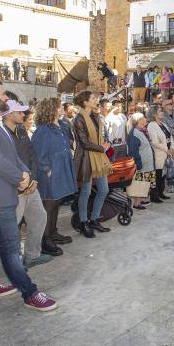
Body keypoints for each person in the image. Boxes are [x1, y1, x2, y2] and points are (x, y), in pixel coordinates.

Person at [0, 80, 57, 311]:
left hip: (1, 193)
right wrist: (20, 177)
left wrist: (23, 171)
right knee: (10, 248)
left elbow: (10, 155)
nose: (6, 97)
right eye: (2, 94)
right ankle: (30, 292)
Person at [1, 99, 56, 269]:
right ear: (9, 114)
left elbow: (31, 154)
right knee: (12, 226)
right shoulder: (1, 133)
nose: (23, 115)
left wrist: (32, 179)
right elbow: (5, 162)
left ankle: (32, 255)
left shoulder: (21, 129)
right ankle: (14, 262)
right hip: (14, 188)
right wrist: (21, 181)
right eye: (19, 112)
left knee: (39, 217)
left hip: (30, 185)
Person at [31, 98, 76, 250]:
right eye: (59, 106)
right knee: (49, 205)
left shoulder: (60, 126)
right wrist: (47, 169)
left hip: (61, 169)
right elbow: (37, 153)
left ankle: (53, 232)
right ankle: (45, 240)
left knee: (56, 202)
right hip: (50, 172)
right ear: (52, 109)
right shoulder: (43, 130)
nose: (62, 108)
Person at [72, 91, 112, 239]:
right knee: (86, 192)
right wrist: (102, 148)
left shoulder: (96, 116)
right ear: (85, 102)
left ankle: (94, 219)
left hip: (98, 156)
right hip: (86, 159)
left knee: (104, 189)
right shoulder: (78, 119)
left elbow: (99, 136)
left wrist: (104, 144)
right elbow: (84, 142)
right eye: (93, 98)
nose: (97, 100)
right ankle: (83, 222)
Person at [126, 113, 155, 210]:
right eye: (143, 118)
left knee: (143, 184)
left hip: (146, 165)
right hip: (140, 165)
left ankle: (140, 200)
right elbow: (133, 151)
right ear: (138, 121)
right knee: (139, 184)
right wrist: (138, 164)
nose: (145, 119)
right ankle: (136, 203)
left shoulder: (140, 131)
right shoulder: (134, 133)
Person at [147, 107, 174, 202]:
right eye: (160, 111)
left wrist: (172, 149)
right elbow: (154, 142)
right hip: (158, 154)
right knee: (157, 175)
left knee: (163, 174)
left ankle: (161, 192)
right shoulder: (151, 125)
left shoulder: (163, 124)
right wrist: (166, 149)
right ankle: (154, 196)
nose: (162, 112)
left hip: (166, 153)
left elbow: (170, 137)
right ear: (154, 114)